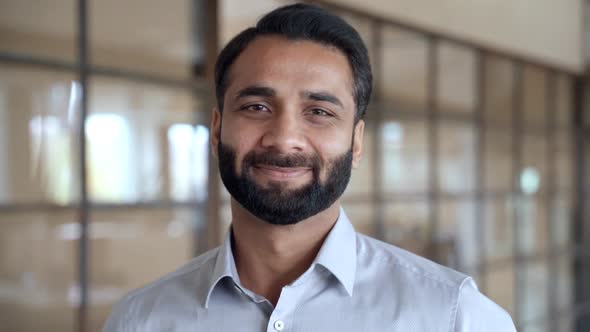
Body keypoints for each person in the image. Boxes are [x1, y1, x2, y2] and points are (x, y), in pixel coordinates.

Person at [103, 3, 516, 331]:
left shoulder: (456, 318)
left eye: (318, 111)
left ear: (356, 141)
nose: (284, 138)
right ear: (216, 129)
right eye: (256, 107)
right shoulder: (140, 321)